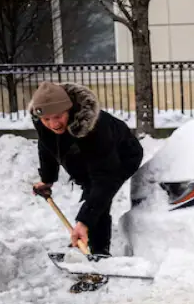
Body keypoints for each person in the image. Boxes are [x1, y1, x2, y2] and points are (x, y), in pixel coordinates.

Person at [28, 81, 144, 256]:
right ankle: (91, 240)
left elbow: (104, 181)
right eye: (47, 119)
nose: (53, 124)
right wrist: (47, 179)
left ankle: (99, 252)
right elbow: (47, 147)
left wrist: (84, 221)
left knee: (97, 196)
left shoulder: (95, 128)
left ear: (70, 109)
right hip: (85, 155)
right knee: (92, 192)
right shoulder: (43, 121)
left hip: (123, 156)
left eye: (58, 116)